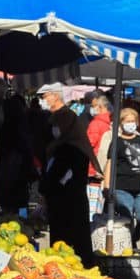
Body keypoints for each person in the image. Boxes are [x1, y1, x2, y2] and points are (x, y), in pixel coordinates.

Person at [39, 108, 98, 265]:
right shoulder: (59, 147)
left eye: (57, 125)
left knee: (71, 247)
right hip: (62, 204)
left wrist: (45, 188)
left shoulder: (73, 149)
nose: (54, 129)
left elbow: (60, 176)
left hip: (69, 204)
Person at [96, 105, 140, 244]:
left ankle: (133, 239)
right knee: (126, 218)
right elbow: (110, 164)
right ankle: (128, 244)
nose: (130, 124)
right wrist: (107, 185)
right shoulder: (117, 142)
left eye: (133, 121)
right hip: (122, 187)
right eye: (127, 121)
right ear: (121, 123)